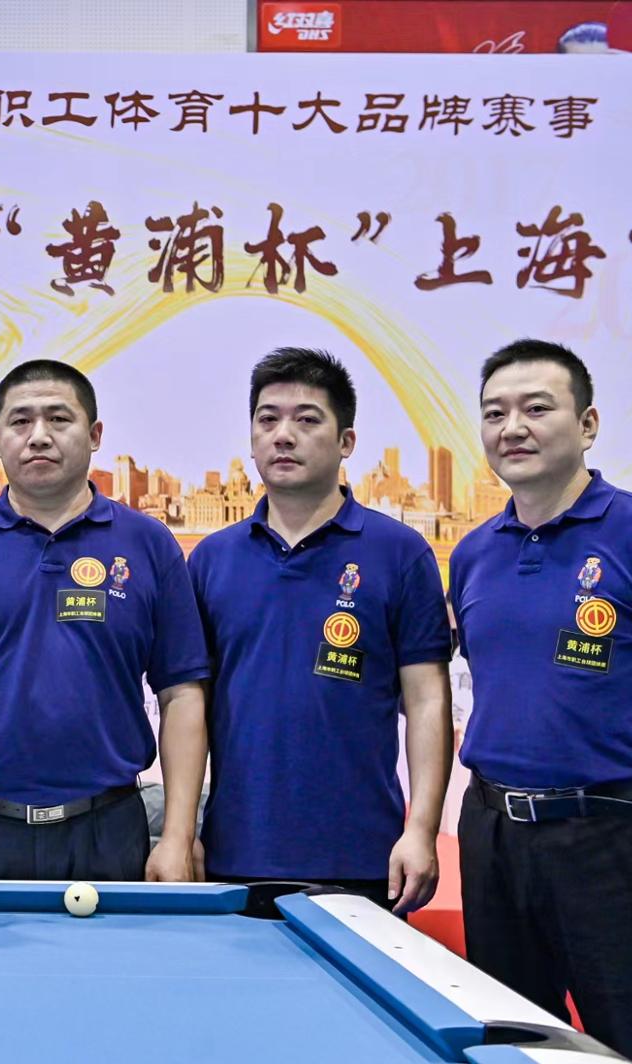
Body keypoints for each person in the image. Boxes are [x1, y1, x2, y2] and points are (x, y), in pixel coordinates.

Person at [0, 359, 209, 882]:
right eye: (21, 421)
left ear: (95, 434)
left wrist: (177, 837)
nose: (38, 435)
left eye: (59, 419)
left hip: (108, 830)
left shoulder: (149, 546)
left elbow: (182, 695)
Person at [449, 339, 632, 1064]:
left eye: (536, 408)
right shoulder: (472, 553)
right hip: (493, 833)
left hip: (617, 833)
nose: (512, 427)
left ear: (587, 425)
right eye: (495, 413)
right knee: (514, 1042)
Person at [187, 348, 451, 913]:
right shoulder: (211, 559)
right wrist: (183, 831)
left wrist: (422, 829)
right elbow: (190, 703)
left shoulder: (400, 553)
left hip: (362, 855)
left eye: (307, 420)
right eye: (267, 419)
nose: (283, 435)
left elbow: (428, 700)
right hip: (235, 851)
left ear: (346, 441)